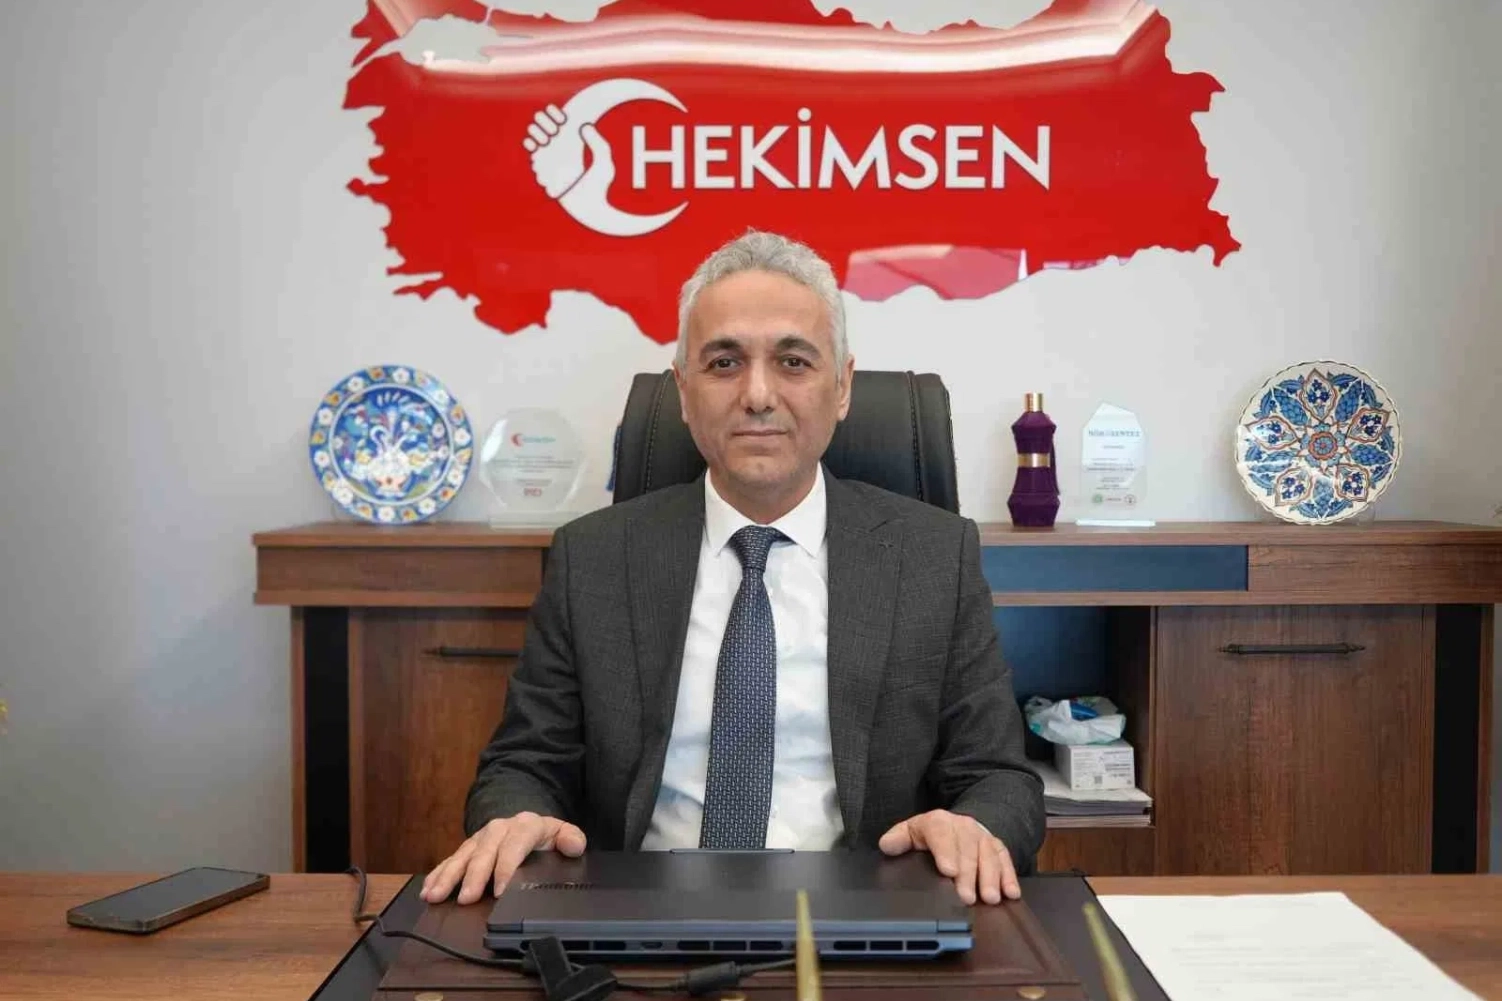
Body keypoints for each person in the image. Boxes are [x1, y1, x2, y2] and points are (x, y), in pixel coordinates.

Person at [421, 229, 1044, 908]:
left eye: (793, 362)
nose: (758, 394)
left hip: (862, 917)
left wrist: (974, 828)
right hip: (639, 920)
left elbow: (999, 779)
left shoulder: (934, 557)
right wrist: (517, 816)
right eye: (724, 363)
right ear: (684, 391)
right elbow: (523, 763)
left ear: (842, 387)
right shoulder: (592, 559)